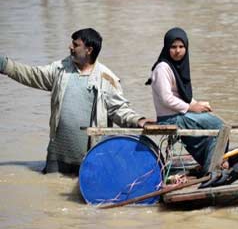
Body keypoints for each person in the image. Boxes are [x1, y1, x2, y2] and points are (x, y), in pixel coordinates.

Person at [0, 28, 149, 175]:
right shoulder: (60, 69)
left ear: (89, 50)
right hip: (57, 155)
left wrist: (139, 120)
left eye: (76, 45)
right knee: (52, 188)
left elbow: (119, 110)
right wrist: (6, 65)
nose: (70, 47)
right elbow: (32, 75)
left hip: (91, 156)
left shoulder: (106, 79)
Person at [145, 27, 224, 175]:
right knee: (218, 125)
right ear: (167, 48)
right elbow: (166, 98)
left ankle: (210, 160)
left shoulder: (178, 67)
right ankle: (211, 168)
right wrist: (191, 108)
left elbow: (183, 94)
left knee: (210, 121)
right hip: (169, 118)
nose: (178, 51)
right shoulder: (162, 68)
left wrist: (198, 104)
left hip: (179, 115)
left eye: (181, 47)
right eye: (173, 47)